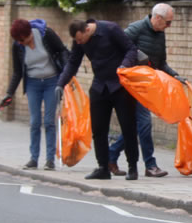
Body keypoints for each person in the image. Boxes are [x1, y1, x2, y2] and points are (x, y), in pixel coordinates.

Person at [56, 19, 142, 181]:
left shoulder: (111, 29)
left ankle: (133, 167)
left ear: (87, 30)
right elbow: (73, 62)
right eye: (77, 41)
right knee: (98, 129)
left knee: (128, 127)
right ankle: (103, 167)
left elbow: (131, 49)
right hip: (99, 86)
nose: (79, 43)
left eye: (80, 40)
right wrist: (60, 84)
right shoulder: (80, 40)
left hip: (120, 86)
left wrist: (124, 65)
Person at [108, 3, 187, 178]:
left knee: (135, 126)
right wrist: (134, 56)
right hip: (131, 85)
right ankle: (150, 165)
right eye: (168, 22)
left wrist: (175, 76)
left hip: (147, 87)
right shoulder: (135, 29)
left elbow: (161, 63)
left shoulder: (160, 34)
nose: (169, 26)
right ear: (157, 18)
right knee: (144, 123)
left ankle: (111, 155)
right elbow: (116, 50)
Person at [0, 19, 69, 171]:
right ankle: (33, 159)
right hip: (33, 84)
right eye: (19, 41)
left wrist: (65, 74)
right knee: (35, 122)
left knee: (49, 121)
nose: (22, 43)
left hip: (52, 81)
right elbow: (18, 72)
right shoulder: (17, 46)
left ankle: (50, 160)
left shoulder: (46, 34)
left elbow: (62, 50)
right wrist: (9, 93)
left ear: (29, 33)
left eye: (23, 39)